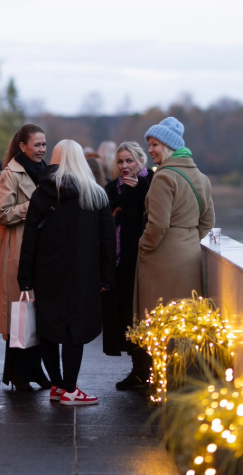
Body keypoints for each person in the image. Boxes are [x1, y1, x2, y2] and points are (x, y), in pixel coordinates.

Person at [17, 140, 115, 405]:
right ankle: (71, 389)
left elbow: (30, 240)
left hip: (47, 271)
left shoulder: (42, 193)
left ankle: (57, 385)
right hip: (84, 272)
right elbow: (108, 241)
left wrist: (25, 278)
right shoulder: (96, 194)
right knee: (75, 329)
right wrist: (107, 276)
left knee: (48, 327)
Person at [135, 117, 215, 321]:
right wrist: (187, 238)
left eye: (155, 145)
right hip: (191, 256)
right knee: (185, 321)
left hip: (162, 259)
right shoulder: (201, 177)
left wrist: (144, 245)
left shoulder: (164, 177)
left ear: (168, 146)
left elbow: (158, 224)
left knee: (160, 320)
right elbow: (208, 220)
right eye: (149, 145)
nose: (150, 150)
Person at [0, 124, 51, 391]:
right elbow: (1, 213)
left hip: (39, 251)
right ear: (22, 146)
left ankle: (34, 369)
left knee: (35, 314)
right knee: (19, 314)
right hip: (17, 251)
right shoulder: (10, 174)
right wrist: (34, 205)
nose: (42, 149)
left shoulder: (45, 172)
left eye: (44, 144)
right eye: (37, 144)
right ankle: (19, 373)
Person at [101, 141, 154, 389]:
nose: (124, 166)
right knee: (125, 317)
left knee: (143, 316)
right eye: (120, 161)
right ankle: (138, 369)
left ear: (141, 161)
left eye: (129, 161)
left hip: (143, 262)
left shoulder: (150, 185)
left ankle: (148, 369)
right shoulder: (112, 189)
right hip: (118, 263)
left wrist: (137, 193)